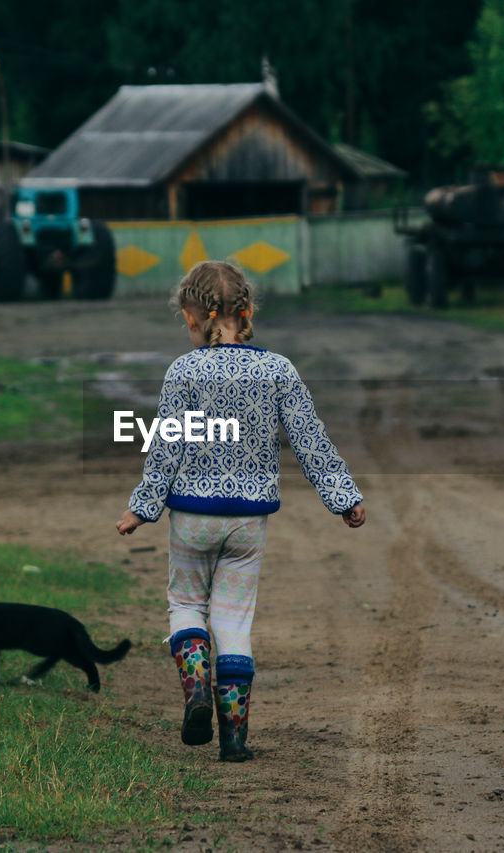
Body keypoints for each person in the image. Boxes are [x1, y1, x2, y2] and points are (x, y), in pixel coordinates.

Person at [116, 260, 365, 762]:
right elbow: (310, 439)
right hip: (249, 522)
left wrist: (140, 508)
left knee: (186, 604)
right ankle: (234, 739)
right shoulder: (279, 370)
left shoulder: (183, 371)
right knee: (234, 621)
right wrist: (344, 496)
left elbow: (166, 448)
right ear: (246, 312)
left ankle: (196, 690)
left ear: (193, 317)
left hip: (191, 516)